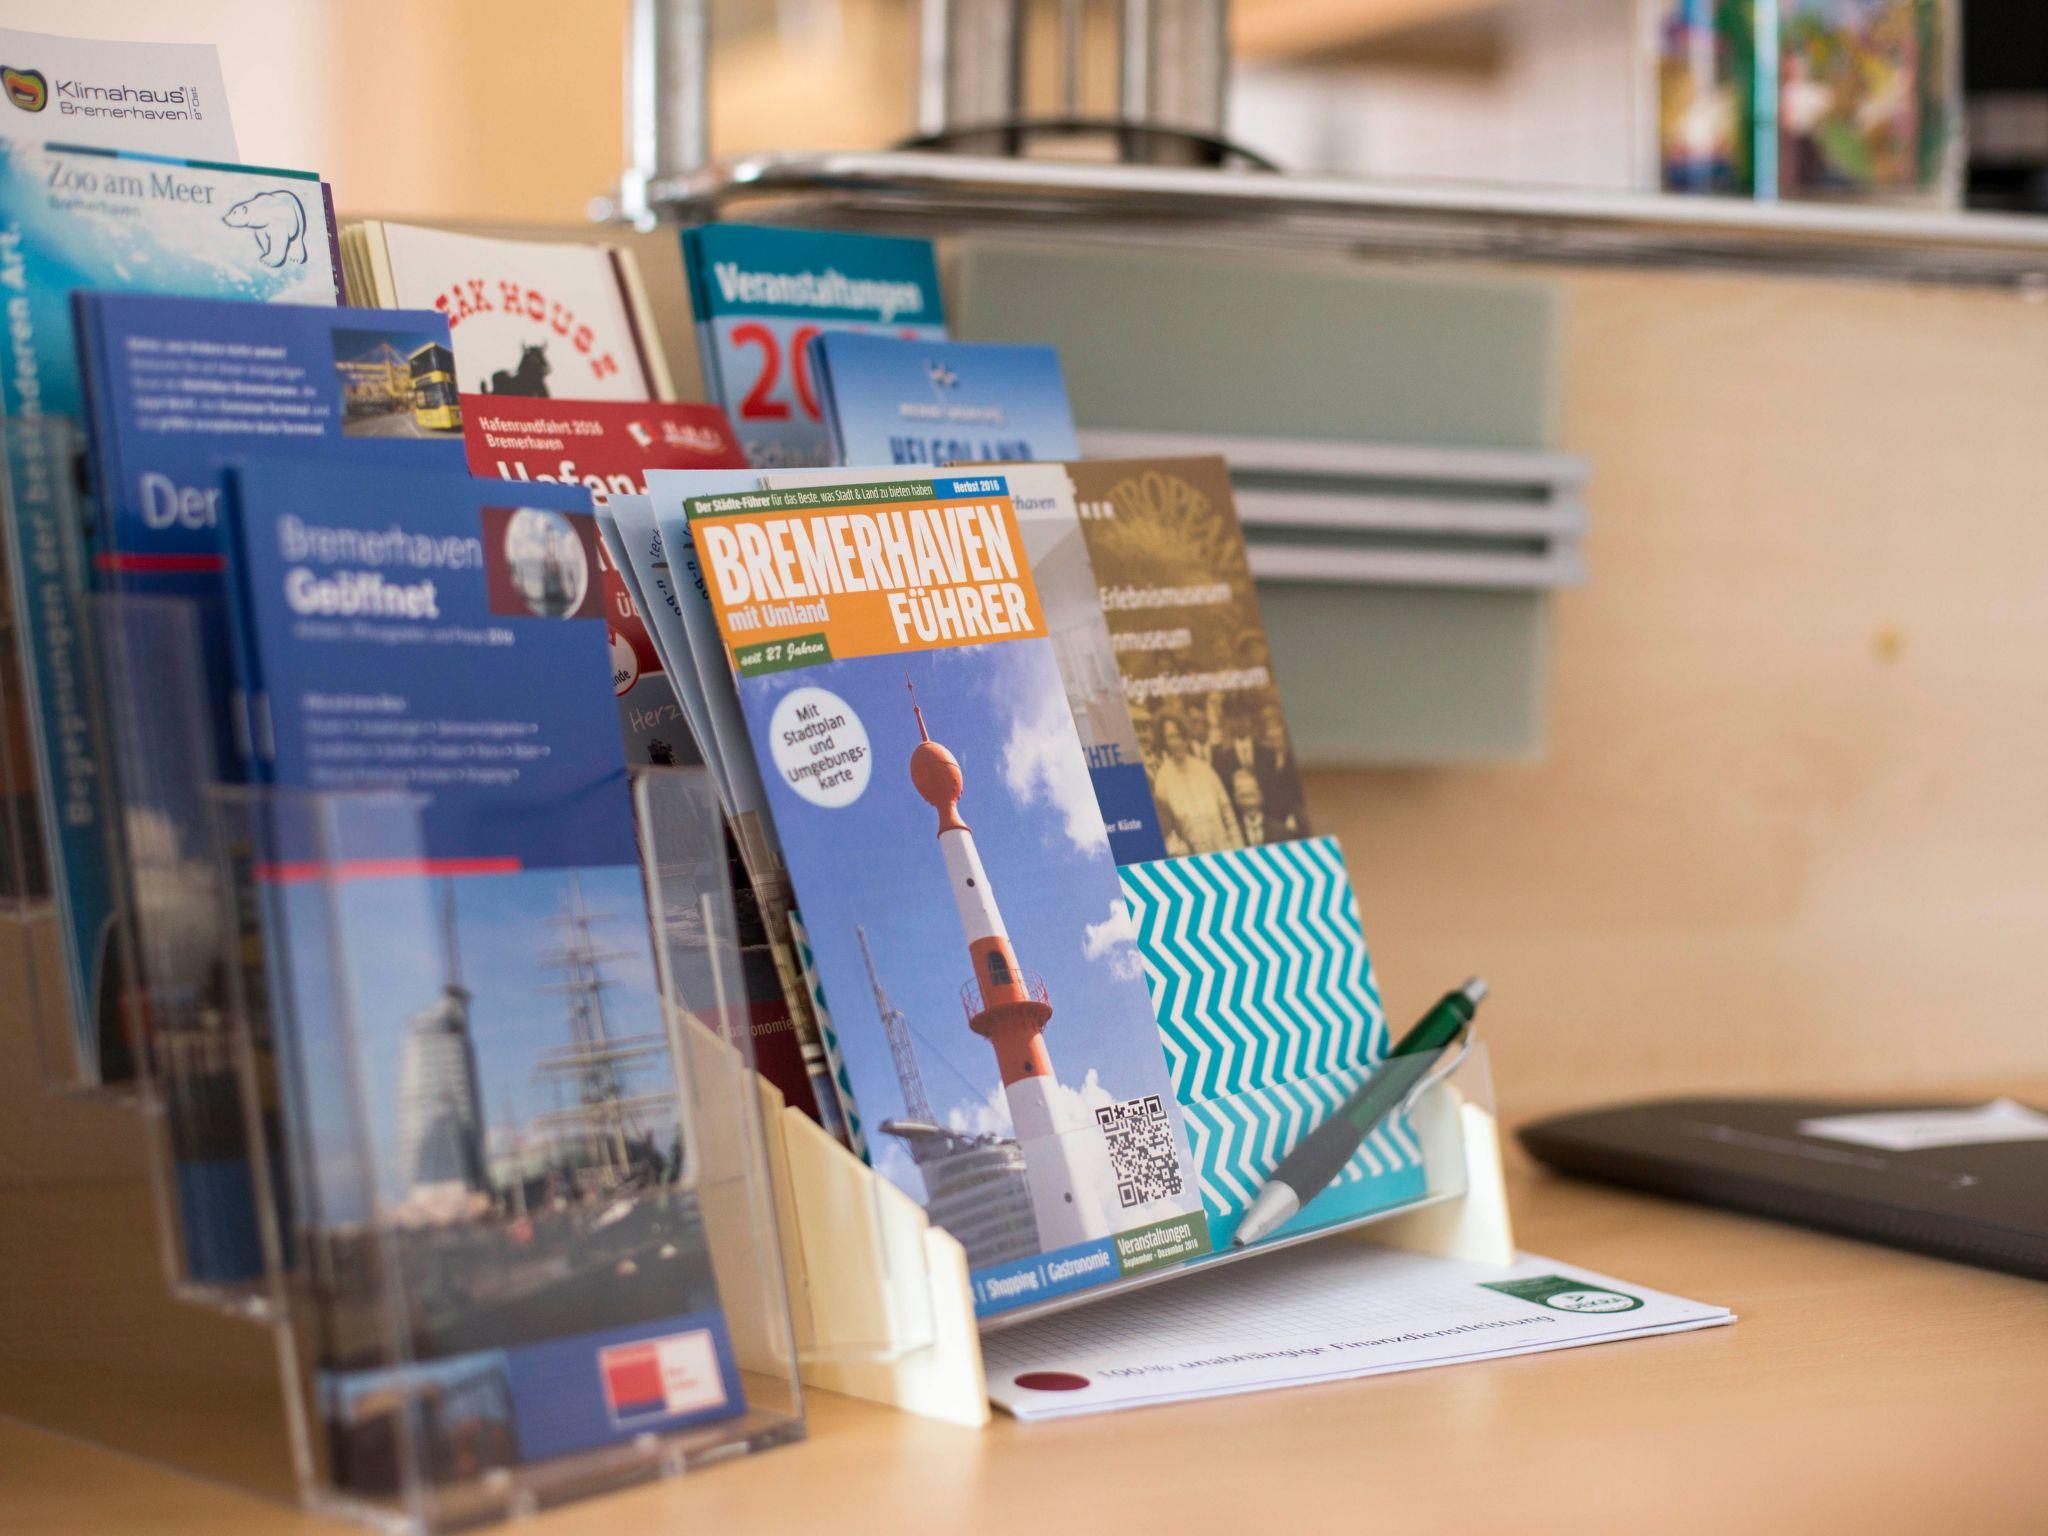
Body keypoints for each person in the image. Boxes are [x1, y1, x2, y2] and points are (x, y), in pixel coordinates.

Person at [1148, 714, 1243, 855]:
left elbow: (1228, 815)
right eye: (1170, 737)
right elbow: (1167, 830)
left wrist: (1239, 850)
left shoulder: (1205, 769)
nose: (1177, 742)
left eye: (1179, 735)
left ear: (1186, 736)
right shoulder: (1162, 780)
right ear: (1163, 741)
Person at [1254, 706, 1308, 841]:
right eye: (1267, 729)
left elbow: (1298, 792)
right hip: (1273, 818)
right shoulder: (1263, 757)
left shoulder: (1294, 754)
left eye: (1275, 727)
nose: (1272, 734)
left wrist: (1293, 815)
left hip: (1297, 813)